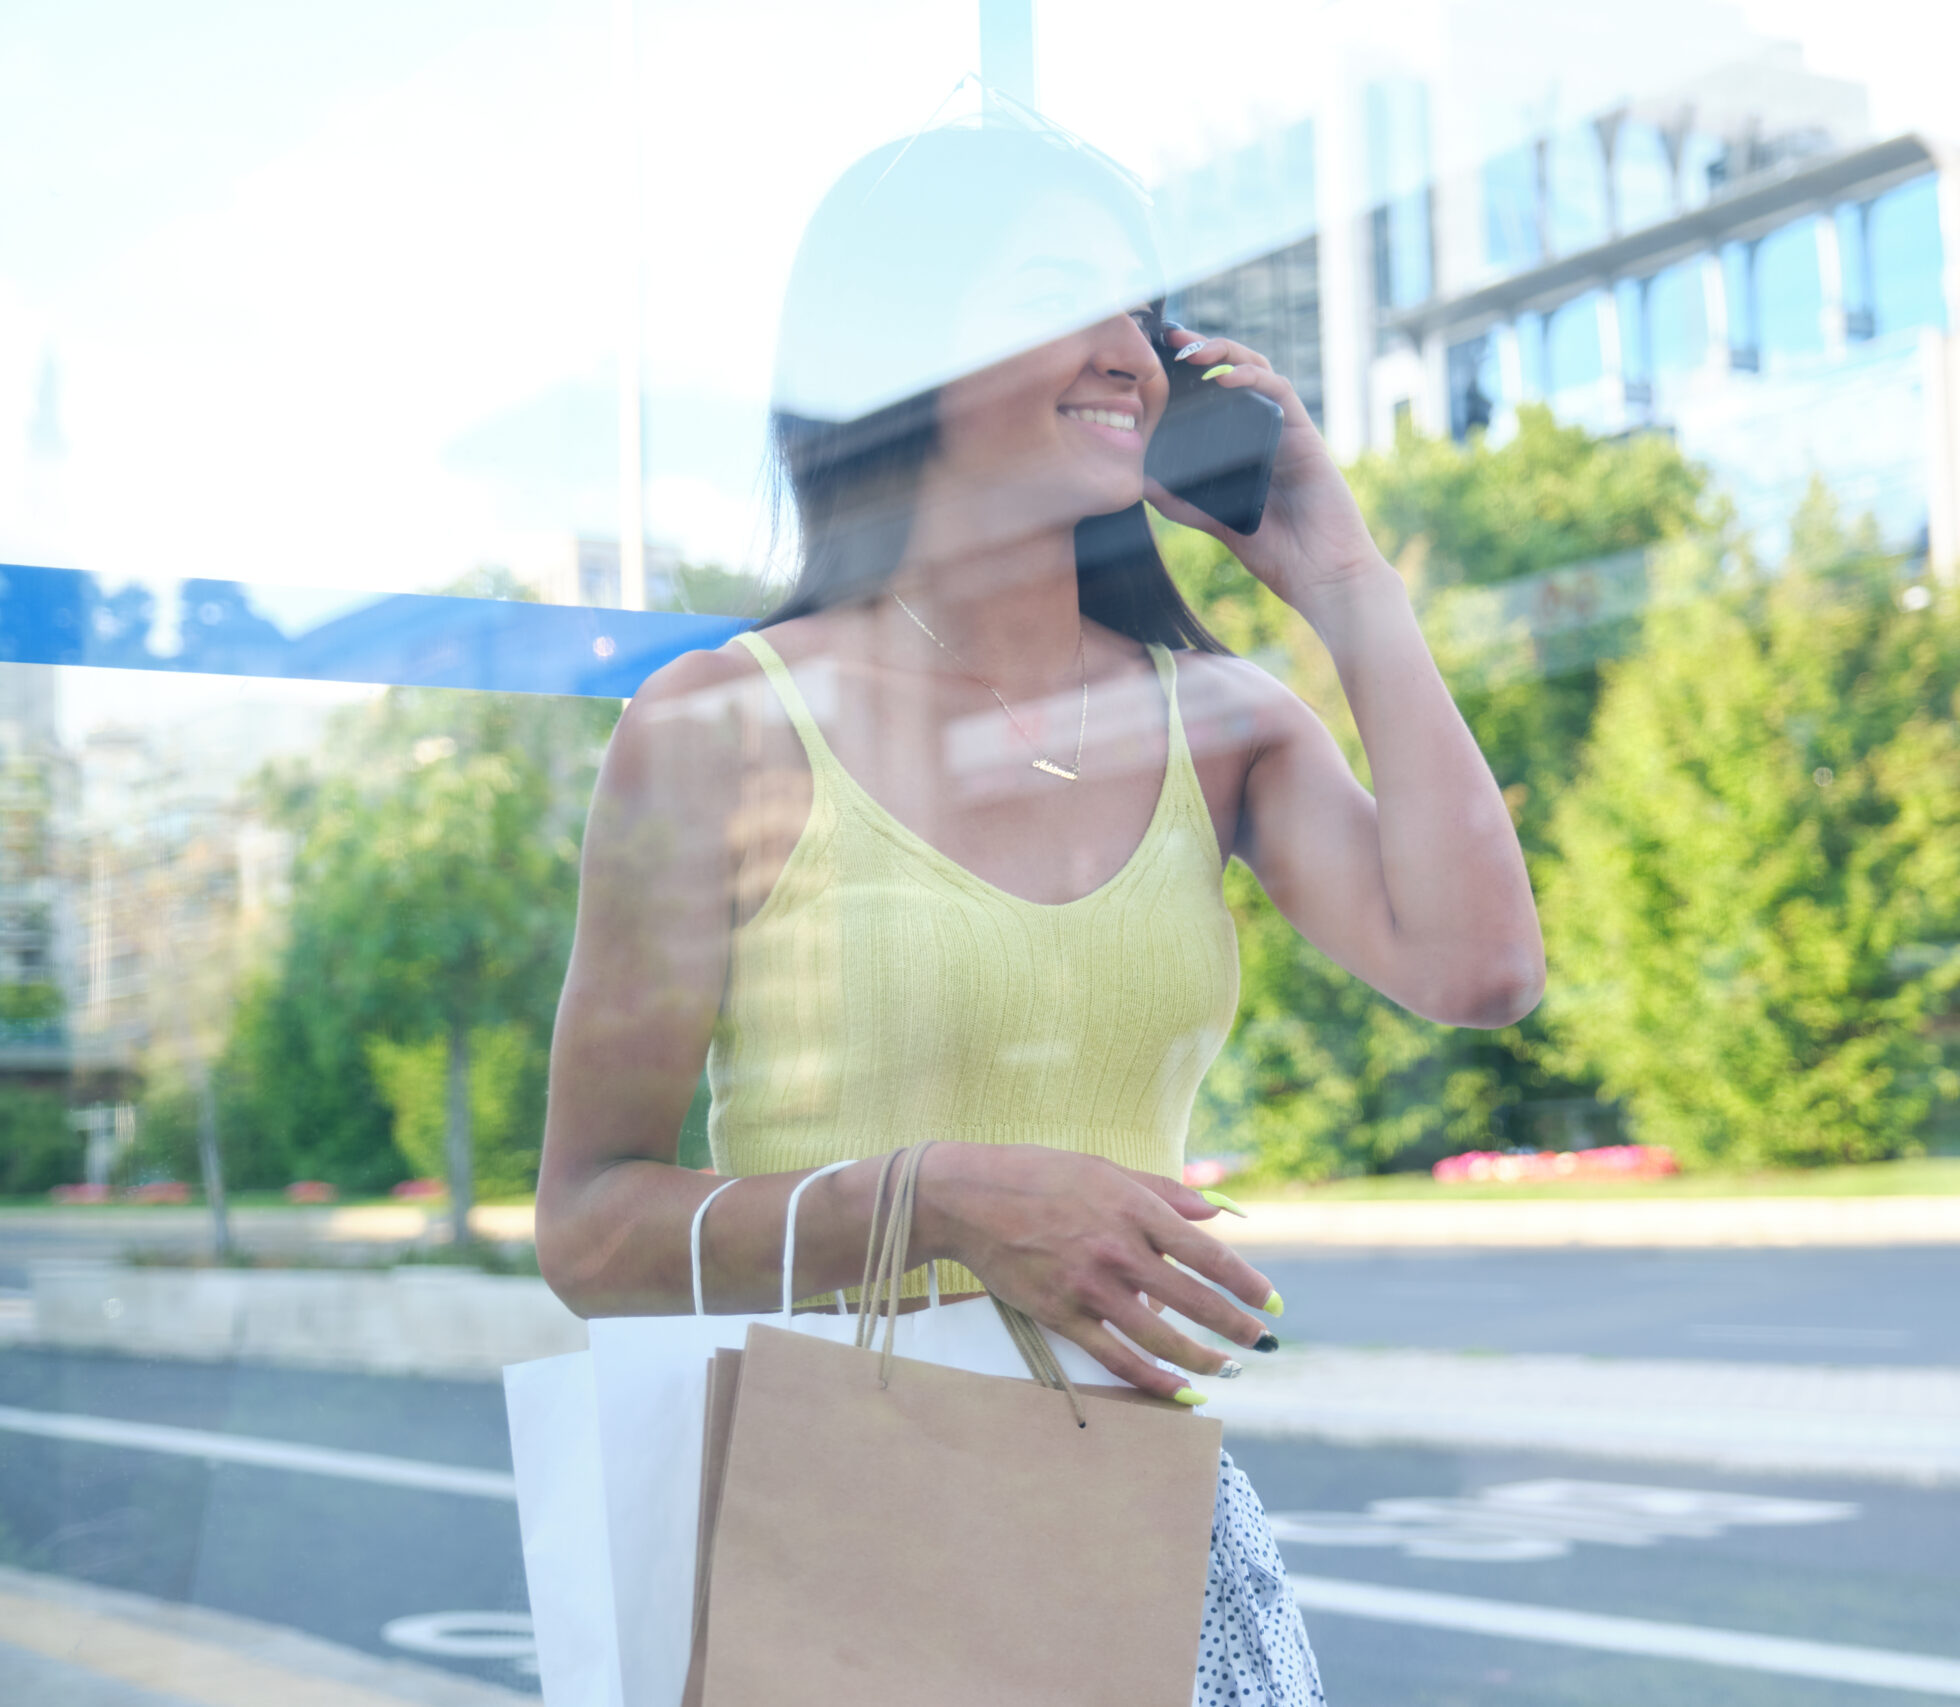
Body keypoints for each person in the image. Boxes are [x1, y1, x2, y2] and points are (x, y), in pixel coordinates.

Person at [535, 118, 1543, 1704]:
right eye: (1065, 293)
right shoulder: (719, 728)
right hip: (844, 1532)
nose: (1131, 351)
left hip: (1150, 1531)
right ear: (904, 359)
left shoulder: (1220, 719)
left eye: (1143, 312)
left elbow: (1483, 968)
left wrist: (1345, 584)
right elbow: (589, 1230)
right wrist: (934, 1206)